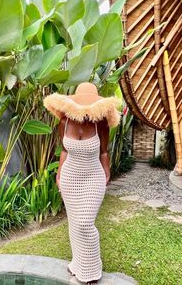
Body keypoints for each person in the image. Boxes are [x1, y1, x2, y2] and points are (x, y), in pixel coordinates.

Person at [43, 82, 121, 284]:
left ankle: (92, 270)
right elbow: (65, 151)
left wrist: (106, 172)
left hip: (93, 177)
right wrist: (59, 174)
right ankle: (77, 264)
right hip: (70, 177)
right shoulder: (64, 123)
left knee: (85, 223)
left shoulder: (100, 124)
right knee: (74, 224)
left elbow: (104, 151)